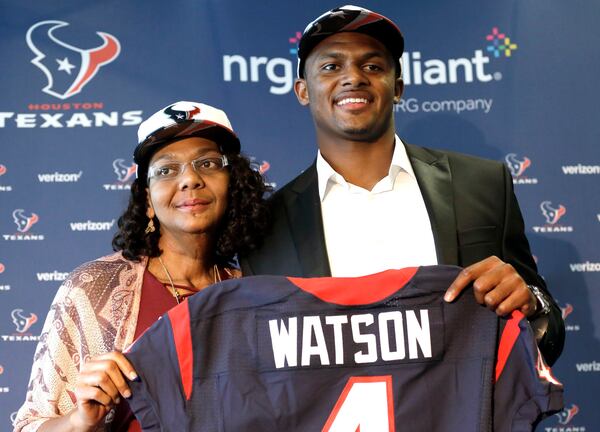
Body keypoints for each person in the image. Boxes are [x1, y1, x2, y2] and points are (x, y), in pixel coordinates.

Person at [240, 5, 564, 365]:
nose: (353, 77)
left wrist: (532, 305)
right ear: (303, 90)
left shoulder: (483, 184)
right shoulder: (266, 228)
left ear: (397, 88)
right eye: (331, 66)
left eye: (373, 66)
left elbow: (547, 334)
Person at [14, 101, 270, 431]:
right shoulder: (92, 288)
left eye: (207, 163)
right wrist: (80, 421)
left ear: (232, 185)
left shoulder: (256, 290)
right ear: (147, 199)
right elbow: (30, 426)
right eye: (166, 170)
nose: (190, 179)